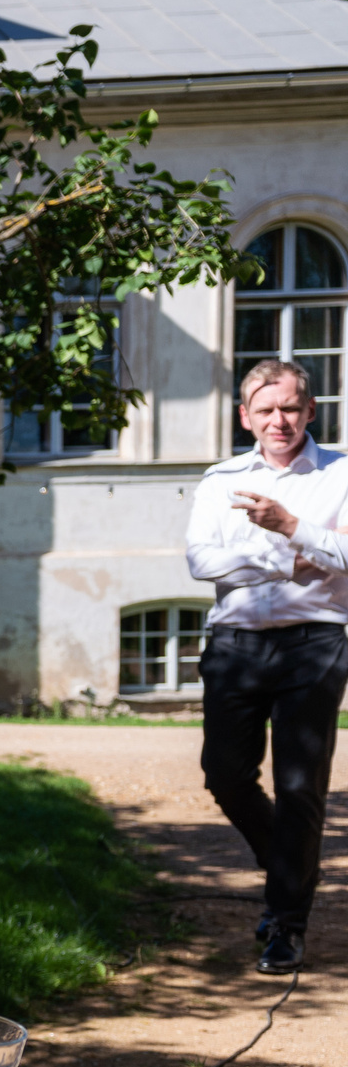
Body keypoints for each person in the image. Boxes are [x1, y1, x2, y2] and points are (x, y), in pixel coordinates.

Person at [186, 358, 348, 975]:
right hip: (236, 641)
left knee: (301, 786)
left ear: (310, 411)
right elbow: (201, 561)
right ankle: (290, 862)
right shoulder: (220, 480)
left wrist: (290, 526)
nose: (278, 420)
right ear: (245, 416)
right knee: (224, 774)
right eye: (265, 409)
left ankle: (286, 922)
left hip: (316, 640)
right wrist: (292, 554)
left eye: (289, 408)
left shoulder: (340, 475)